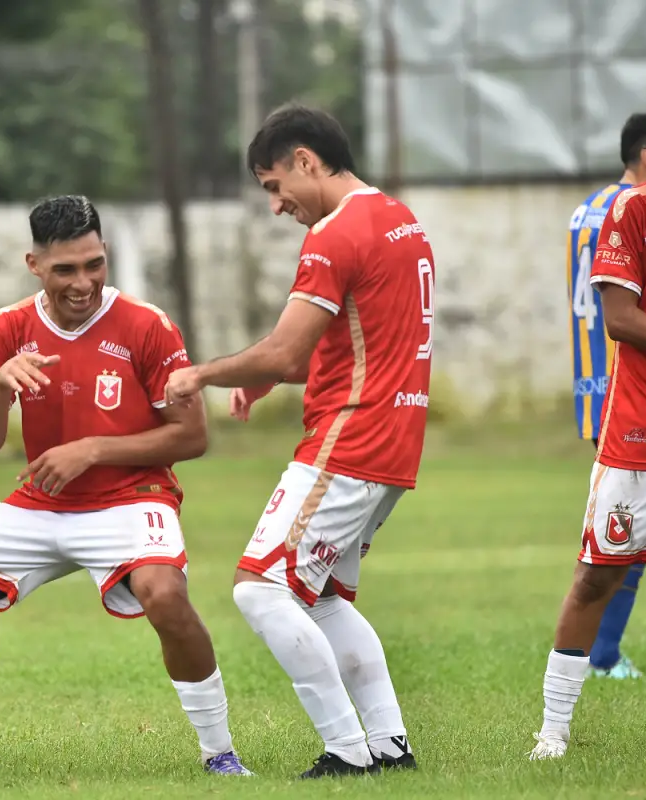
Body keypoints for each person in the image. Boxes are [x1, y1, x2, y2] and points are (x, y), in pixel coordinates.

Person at [0, 194, 252, 779]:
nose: (83, 282)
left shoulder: (147, 325)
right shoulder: (8, 328)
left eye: (94, 264)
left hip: (133, 498)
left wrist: (93, 450)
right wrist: (1, 390)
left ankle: (221, 755)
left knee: (164, 593)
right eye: (66, 269)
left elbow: (191, 437)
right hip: (40, 504)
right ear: (34, 264)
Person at [164, 104, 433, 779]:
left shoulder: (335, 236)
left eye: (275, 185)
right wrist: (275, 378)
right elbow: (358, 343)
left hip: (351, 439)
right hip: (396, 443)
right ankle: (390, 744)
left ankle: (347, 750)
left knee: (260, 589)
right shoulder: (400, 218)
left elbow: (285, 349)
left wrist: (201, 372)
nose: (278, 205)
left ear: (306, 161)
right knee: (322, 597)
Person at [529, 88, 646, 760]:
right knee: (597, 574)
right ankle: (553, 731)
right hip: (645, 435)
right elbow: (619, 318)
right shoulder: (632, 210)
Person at [567, 111, 646, 680]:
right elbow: (625, 312)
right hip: (637, 387)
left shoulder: (582, 210)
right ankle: (606, 654)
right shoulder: (633, 208)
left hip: (594, 379)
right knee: (627, 530)